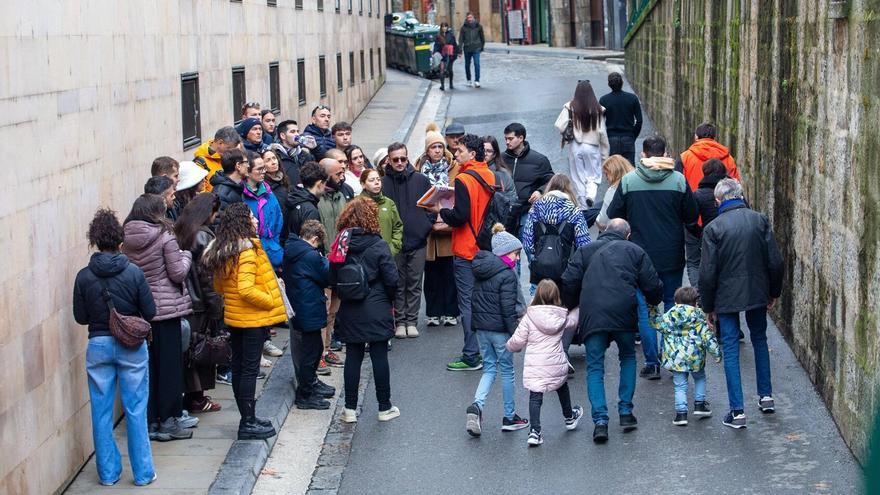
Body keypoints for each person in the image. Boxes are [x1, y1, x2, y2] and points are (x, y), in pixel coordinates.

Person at [73, 208, 157, 486]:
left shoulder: (84, 276)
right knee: (135, 409)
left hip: (98, 344)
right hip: (131, 346)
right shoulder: (133, 273)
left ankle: (108, 474)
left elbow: (80, 317)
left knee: (100, 411)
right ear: (120, 241)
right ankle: (143, 473)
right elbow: (150, 310)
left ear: (95, 241)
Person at [561, 219, 663, 443]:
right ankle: (625, 412)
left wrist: (573, 305)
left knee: (595, 366)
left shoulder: (585, 251)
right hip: (624, 312)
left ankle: (600, 421)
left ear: (604, 231)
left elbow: (568, 281)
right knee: (627, 357)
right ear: (628, 235)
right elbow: (653, 286)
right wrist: (654, 300)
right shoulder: (635, 251)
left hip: (593, 314)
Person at [606, 135, 699, 381]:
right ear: (665, 152)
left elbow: (613, 214)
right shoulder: (678, 181)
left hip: (639, 255)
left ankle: (652, 361)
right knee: (671, 304)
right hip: (671, 253)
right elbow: (691, 214)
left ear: (644, 154)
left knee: (645, 310)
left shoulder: (628, 181)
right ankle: (671, 357)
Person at [698, 178, 784, 429]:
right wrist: (773, 291)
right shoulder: (760, 220)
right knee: (759, 339)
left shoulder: (713, 229)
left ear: (718, 201)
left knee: (732, 348)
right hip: (757, 290)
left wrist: (708, 306)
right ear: (741, 195)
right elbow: (775, 262)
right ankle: (766, 396)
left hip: (725, 296)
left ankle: (737, 411)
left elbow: (707, 273)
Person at [202, 203, 286, 440]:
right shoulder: (247, 251)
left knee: (239, 369)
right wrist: (271, 298)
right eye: (252, 217)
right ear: (243, 222)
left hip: (235, 319)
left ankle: (247, 417)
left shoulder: (225, 250)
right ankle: (247, 422)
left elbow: (219, 286)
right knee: (249, 370)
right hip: (252, 319)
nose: (256, 221)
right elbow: (246, 289)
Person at [121, 194, 194, 442]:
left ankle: (151, 421)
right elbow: (177, 273)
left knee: (148, 369)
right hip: (166, 309)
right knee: (170, 368)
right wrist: (187, 256)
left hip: (140, 310)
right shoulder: (165, 237)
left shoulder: (127, 238)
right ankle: (169, 421)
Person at [328, 197, 400, 423]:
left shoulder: (341, 244)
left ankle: (349, 409)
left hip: (350, 307)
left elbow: (332, 277)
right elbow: (392, 279)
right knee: (379, 356)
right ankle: (384, 406)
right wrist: (388, 300)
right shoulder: (378, 244)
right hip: (376, 304)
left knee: (353, 356)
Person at [437, 134, 497, 371]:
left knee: (468, 304)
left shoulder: (463, 178)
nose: (456, 153)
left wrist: (442, 210)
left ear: (472, 154)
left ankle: (471, 355)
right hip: (486, 246)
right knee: (485, 301)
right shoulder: (488, 175)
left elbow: (460, 216)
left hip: (465, 248)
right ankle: (488, 350)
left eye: (460, 150)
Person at [464, 224, 528, 437]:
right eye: (515, 253)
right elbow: (508, 309)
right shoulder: (507, 275)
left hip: (482, 329)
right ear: (504, 253)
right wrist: (516, 335)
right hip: (500, 329)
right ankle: (510, 416)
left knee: (489, 369)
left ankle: (477, 405)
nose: (517, 258)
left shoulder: (482, 270)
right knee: (507, 371)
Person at [505, 279, 583, 447]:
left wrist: (509, 346)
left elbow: (517, 341)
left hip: (536, 366)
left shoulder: (529, 317)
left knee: (535, 397)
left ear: (538, 295)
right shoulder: (560, 317)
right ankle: (569, 417)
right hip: (556, 363)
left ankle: (535, 431)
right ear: (556, 296)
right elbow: (573, 322)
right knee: (562, 387)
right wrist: (578, 309)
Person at [174, 193, 224, 414]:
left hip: (183, 300)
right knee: (200, 351)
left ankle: (192, 396)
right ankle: (197, 398)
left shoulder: (181, 230)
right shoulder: (203, 237)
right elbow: (207, 277)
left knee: (189, 352)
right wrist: (216, 306)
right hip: (199, 303)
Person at [382, 142, 434, 338]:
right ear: (389, 160)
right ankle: (400, 321)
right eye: (395, 159)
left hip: (417, 240)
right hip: (393, 244)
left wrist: (424, 227)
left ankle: (411, 320)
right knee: (397, 282)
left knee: (414, 281)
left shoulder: (421, 180)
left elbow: (431, 208)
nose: (400, 162)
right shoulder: (383, 183)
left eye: (403, 158)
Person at [283, 220, 335, 410]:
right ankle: (305, 393)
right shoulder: (310, 255)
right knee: (311, 352)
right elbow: (327, 275)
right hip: (308, 306)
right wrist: (326, 259)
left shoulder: (292, 249)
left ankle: (311, 384)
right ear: (314, 239)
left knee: (313, 348)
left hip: (301, 304)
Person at [650, 286, 721, 426]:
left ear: (676, 302)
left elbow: (656, 323)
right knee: (700, 378)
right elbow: (708, 337)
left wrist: (652, 308)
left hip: (676, 360)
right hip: (695, 358)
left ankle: (681, 414)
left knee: (680, 385)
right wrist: (716, 353)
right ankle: (700, 405)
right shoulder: (699, 316)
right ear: (695, 303)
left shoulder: (669, 316)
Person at [417, 125, 460, 327]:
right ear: (427, 150)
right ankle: (433, 312)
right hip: (428, 229)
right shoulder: (418, 170)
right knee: (431, 274)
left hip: (448, 225)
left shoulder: (454, 167)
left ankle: (451, 311)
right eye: (433, 147)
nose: (437, 151)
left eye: (440, 147)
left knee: (449, 273)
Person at [318, 152, 356, 367]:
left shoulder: (346, 193)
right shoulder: (317, 198)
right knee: (323, 311)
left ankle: (328, 347)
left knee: (334, 310)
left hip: (343, 260)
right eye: (338, 173)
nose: (342, 176)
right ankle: (319, 354)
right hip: (324, 261)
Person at [521, 174, 592, 287]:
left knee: (540, 303)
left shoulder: (535, 209)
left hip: (540, 273)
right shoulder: (574, 211)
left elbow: (528, 245)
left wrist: (542, 254)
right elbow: (584, 245)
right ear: (569, 189)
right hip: (566, 273)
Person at [555, 80, 610, 209]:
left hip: (575, 146)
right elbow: (603, 133)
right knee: (594, 175)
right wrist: (605, 155)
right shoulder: (598, 110)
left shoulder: (570, 107)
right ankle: (590, 195)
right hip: (592, 146)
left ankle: (582, 206)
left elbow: (559, 124)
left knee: (578, 177)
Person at [502, 123, 555, 239]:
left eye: (510, 138)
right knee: (508, 254)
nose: (507, 142)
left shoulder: (539, 160)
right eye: (505, 139)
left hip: (527, 211)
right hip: (506, 213)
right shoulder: (501, 159)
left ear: (521, 138)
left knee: (530, 249)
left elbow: (552, 180)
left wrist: (540, 191)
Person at [686, 158, 727, 288]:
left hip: (707, 236)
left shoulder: (698, 194)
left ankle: (699, 295)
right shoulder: (732, 191)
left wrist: (700, 233)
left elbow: (690, 220)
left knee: (694, 263)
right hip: (729, 235)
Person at [242, 152, 284, 269]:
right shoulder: (241, 195)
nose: (264, 171)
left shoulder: (268, 192)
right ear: (247, 172)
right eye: (259, 169)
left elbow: (278, 219)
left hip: (272, 251)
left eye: (264, 168)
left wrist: (274, 244)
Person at [676, 122, 741, 192]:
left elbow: (677, 184)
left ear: (696, 137)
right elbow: (735, 185)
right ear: (714, 137)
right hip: (721, 201)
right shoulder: (728, 159)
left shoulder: (684, 158)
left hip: (692, 201)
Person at [599, 72, 642, 165]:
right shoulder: (632, 98)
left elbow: (600, 122)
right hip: (628, 137)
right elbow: (639, 121)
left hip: (611, 138)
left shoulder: (603, 100)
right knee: (629, 168)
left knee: (614, 168)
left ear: (609, 84)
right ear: (622, 82)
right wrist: (633, 135)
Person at [360, 168, 403, 256]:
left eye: (378, 179)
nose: (376, 182)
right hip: (365, 257)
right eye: (372, 180)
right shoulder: (356, 204)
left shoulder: (389, 203)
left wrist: (393, 248)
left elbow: (397, 226)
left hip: (387, 255)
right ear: (363, 184)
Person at [285, 161, 327, 244]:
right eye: (325, 183)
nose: (325, 187)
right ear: (319, 183)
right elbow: (311, 243)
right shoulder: (310, 210)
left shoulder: (294, 198)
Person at [194, 127, 242, 192]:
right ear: (220, 143)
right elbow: (201, 193)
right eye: (229, 148)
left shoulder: (228, 157)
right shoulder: (200, 163)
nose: (231, 151)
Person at [595, 155, 634, 231]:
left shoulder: (613, 190)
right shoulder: (637, 183)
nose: (606, 178)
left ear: (613, 172)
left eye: (606, 174)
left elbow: (602, 221)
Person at [274, 119, 317, 187]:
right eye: (292, 132)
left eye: (297, 131)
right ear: (283, 136)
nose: (297, 134)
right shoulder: (276, 157)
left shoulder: (305, 155)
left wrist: (314, 150)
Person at [210, 149, 248, 215]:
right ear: (238, 165)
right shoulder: (221, 195)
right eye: (246, 162)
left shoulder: (237, 186)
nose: (248, 165)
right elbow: (217, 223)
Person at [483, 136, 516, 204]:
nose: (485, 154)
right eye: (482, 150)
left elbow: (512, 199)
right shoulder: (474, 169)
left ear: (494, 154)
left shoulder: (502, 173)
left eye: (489, 151)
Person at [459, 13, 485, 88]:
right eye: (468, 18)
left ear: (473, 18)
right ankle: (468, 79)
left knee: (477, 64)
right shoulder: (463, 28)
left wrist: (482, 46)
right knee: (467, 65)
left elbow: (482, 37)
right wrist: (460, 49)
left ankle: (477, 80)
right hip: (467, 48)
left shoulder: (479, 26)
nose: (469, 19)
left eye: (471, 17)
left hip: (476, 48)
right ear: (466, 18)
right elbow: (461, 39)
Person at [262, 148, 290, 216]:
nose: (273, 162)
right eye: (268, 160)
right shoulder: (264, 186)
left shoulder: (284, 179)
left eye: (274, 158)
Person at [434, 22, 459, 91]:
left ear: (447, 27)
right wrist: (435, 52)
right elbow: (436, 45)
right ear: (441, 28)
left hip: (450, 55)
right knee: (442, 70)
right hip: (442, 55)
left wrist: (458, 52)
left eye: (445, 27)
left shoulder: (451, 35)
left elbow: (455, 45)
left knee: (449, 69)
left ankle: (451, 83)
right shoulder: (438, 35)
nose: (444, 28)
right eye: (443, 27)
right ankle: (442, 85)